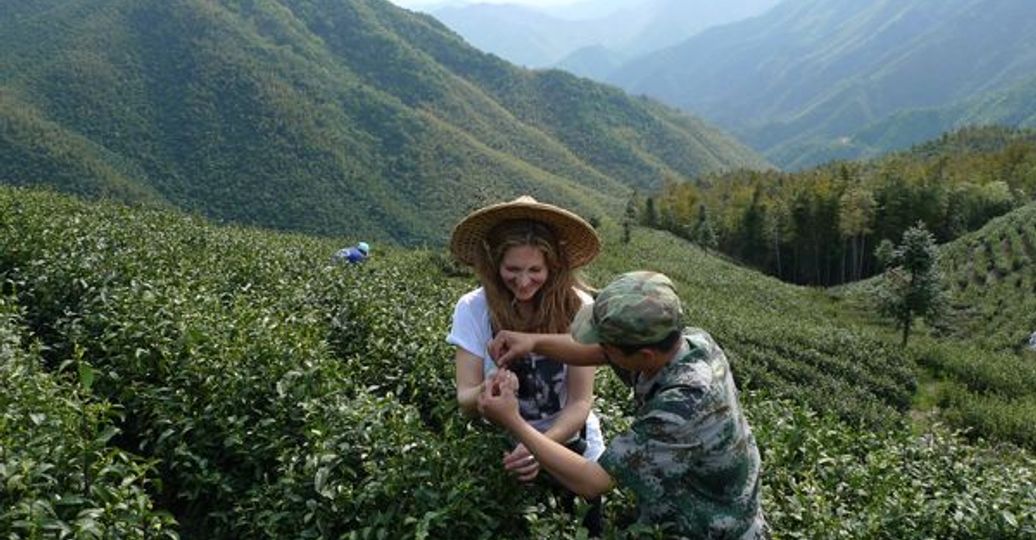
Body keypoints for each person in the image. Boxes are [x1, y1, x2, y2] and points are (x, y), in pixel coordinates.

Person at [481, 271, 767, 539]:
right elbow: (599, 352)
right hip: (689, 500)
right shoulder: (691, 340)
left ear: (644, 355)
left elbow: (593, 481)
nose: (601, 352)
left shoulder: (682, 407)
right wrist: (531, 342)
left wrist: (513, 420)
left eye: (608, 347)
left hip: (710, 527)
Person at [445, 196, 605, 535]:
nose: (523, 281)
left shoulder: (578, 308)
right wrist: (489, 390)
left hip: (573, 449)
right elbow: (465, 397)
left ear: (553, 267)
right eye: (512, 270)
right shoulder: (473, 309)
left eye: (535, 270)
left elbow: (580, 402)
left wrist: (537, 446)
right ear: (494, 265)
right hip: (507, 455)